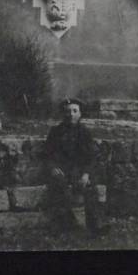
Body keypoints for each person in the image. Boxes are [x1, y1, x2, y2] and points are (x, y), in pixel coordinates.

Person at [44, 98, 104, 235]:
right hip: (61, 169)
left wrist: (86, 174)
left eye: (75, 111)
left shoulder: (85, 132)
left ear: (80, 114)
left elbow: (92, 156)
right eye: (67, 111)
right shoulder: (55, 132)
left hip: (79, 170)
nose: (71, 114)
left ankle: (96, 225)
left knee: (89, 187)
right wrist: (52, 167)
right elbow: (47, 154)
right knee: (59, 186)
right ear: (63, 114)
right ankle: (66, 224)